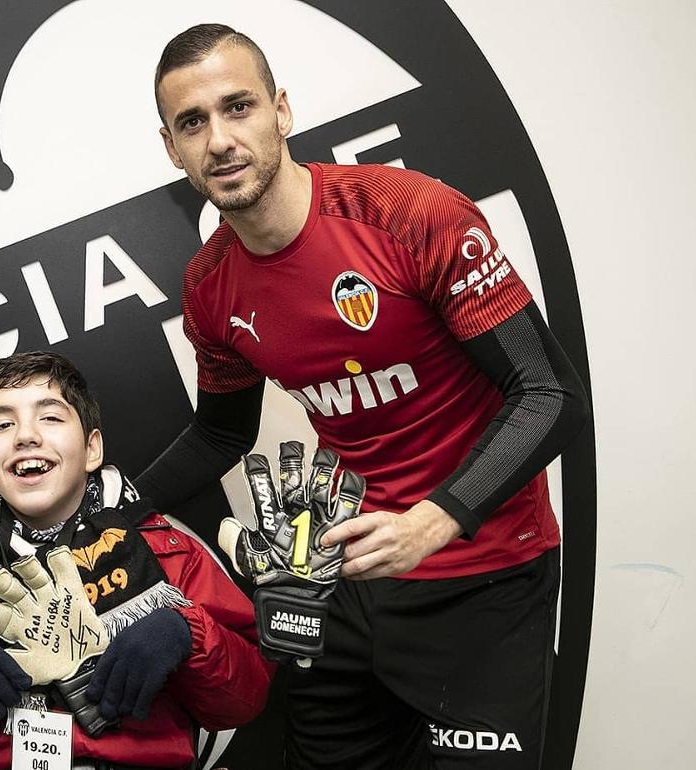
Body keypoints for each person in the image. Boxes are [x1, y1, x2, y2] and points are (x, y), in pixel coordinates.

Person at [136, 23, 590, 770]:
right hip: (344, 581)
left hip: (483, 573)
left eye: (238, 107)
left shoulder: (411, 214)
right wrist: (105, 508)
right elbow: (222, 436)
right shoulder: (209, 288)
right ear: (171, 147)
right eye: (193, 122)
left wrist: (433, 521)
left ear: (281, 111)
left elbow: (550, 394)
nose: (219, 139)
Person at [0, 351, 273, 770]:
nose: (25, 436)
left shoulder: (162, 547)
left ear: (92, 449)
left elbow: (242, 702)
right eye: (3, 424)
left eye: (51, 418)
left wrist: (184, 632)